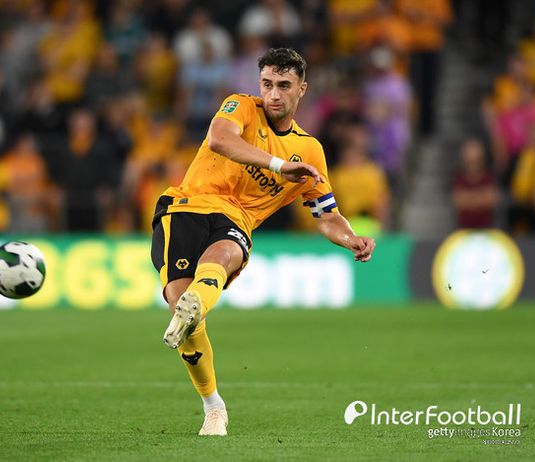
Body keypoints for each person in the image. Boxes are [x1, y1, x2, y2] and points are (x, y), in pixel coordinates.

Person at [150, 48, 376, 437]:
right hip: (185, 207)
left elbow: (326, 214)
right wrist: (279, 166)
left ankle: (196, 304)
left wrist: (350, 237)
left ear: (302, 90)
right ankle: (213, 404)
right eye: (267, 84)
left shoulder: (310, 150)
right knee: (181, 308)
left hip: (235, 221)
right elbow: (219, 139)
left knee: (225, 253)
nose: (273, 94)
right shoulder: (240, 106)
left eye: (284, 86)